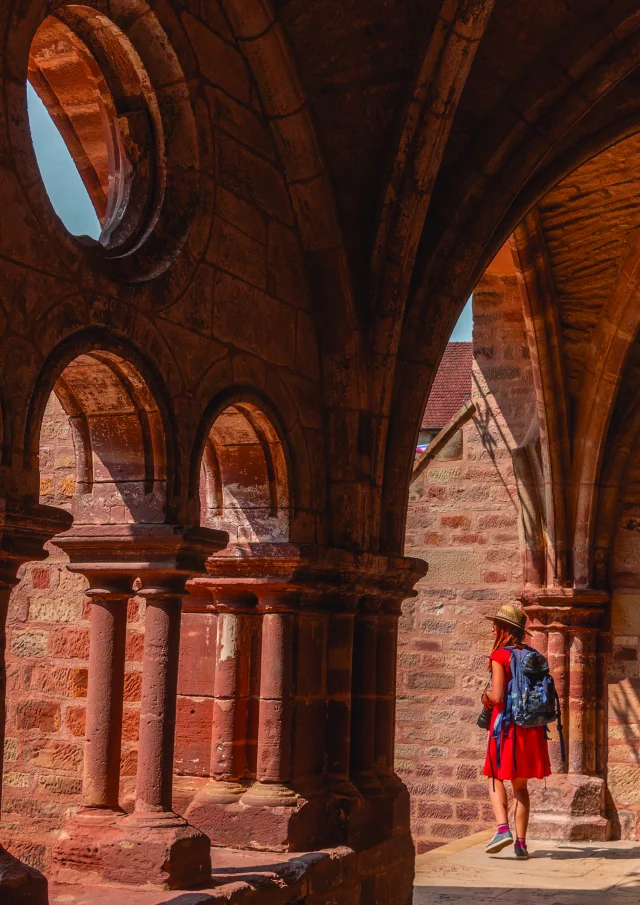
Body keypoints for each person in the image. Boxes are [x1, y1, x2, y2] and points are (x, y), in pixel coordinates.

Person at [481, 604, 551, 860]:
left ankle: (502, 829)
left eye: (496, 624)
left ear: (505, 629)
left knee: (494, 776)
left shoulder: (500, 656)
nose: (492, 627)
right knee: (520, 786)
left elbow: (497, 694)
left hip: (506, 727)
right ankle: (521, 844)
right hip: (531, 728)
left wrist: (484, 697)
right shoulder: (532, 654)